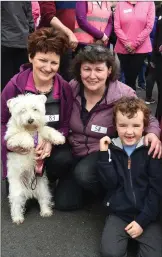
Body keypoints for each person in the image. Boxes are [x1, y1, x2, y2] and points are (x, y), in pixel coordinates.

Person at [59, 44, 161, 210]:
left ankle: (112, 190)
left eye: (99, 70)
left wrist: (153, 133)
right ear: (79, 71)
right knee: (65, 203)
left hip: (105, 151)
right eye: (87, 69)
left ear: (109, 71)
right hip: (76, 149)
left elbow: (148, 117)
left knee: (84, 175)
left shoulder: (123, 94)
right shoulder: (72, 88)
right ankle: (84, 184)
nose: (92, 76)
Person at [1, 27, 73, 206]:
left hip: (47, 145)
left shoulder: (64, 88)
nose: (48, 68)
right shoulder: (14, 86)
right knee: (17, 194)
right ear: (31, 57)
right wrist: (9, 144)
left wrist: (49, 143)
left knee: (64, 159)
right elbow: (1, 121)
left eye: (54, 62)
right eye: (42, 60)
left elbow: (65, 125)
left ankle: (48, 179)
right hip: (20, 150)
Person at [98, 97, 162, 257]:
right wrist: (104, 155)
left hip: (147, 214)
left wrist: (142, 221)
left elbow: (156, 190)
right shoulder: (111, 148)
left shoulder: (151, 151)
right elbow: (110, 184)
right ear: (115, 126)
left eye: (136, 125)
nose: (129, 131)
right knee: (110, 253)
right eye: (123, 125)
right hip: (119, 213)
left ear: (145, 126)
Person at [114, 1, 155, 91]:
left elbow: (149, 26)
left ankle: (131, 101)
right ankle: (128, 101)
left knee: (132, 78)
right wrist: (127, 43)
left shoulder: (149, 3)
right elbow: (117, 27)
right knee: (128, 79)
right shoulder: (120, 4)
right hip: (123, 48)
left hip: (141, 48)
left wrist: (135, 44)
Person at [38, 1, 78, 81]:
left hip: (67, 42)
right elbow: (48, 16)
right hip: (50, 41)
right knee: (48, 75)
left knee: (66, 77)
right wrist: (69, 32)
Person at [1, 1, 35, 91]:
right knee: (22, 82)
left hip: (5, 42)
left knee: (5, 85)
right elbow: (30, 19)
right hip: (23, 42)